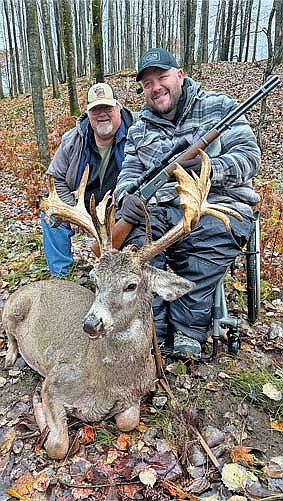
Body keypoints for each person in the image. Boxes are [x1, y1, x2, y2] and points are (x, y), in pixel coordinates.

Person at [114, 48, 261, 359]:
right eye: (148, 83)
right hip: (160, 210)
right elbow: (129, 171)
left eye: (162, 77)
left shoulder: (220, 107)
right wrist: (125, 196)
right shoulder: (139, 127)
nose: (156, 88)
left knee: (200, 244)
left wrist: (206, 169)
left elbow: (249, 159)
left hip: (218, 205)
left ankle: (186, 332)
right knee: (136, 253)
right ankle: (150, 328)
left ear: (179, 75)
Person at [41, 83, 137, 276]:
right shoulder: (73, 139)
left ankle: (126, 275)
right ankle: (61, 276)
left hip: (121, 207)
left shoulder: (139, 131)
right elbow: (54, 179)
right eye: (95, 109)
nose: (102, 114)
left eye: (107, 108)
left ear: (118, 107)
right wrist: (72, 209)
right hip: (83, 207)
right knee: (50, 213)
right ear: (88, 113)